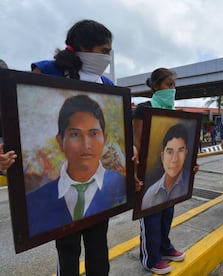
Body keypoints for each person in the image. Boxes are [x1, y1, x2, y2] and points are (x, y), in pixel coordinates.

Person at [29, 19, 138, 276]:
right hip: (63, 187)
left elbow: (122, 127)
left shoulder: (107, 85)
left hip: (96, 191)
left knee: (98, 245)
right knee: (67, 250)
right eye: (103, 50)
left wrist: (129, 145)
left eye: (109, 51)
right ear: (83, 47)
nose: (107, 57)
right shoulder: (46, 72)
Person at [26, 95, 126, 236]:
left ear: (104, 138)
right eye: (75, 134)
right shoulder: (35, 201)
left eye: (93, 133)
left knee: (98, 248)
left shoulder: (122, 186)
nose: (86, 145)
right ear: (60, 141)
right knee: (67, 252)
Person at [133, 68, 198, 274]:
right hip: (148, 175)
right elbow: (137, 143)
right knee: (150, 216)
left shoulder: (174, 112)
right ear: (155, 86)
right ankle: (150, 258)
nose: (173, 89)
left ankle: (164, 247)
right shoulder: (144, 109)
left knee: (167, 211)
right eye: (168, 84)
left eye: (174, 85)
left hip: (170, 175)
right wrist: (136, 172)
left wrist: (190, 164)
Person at [141, 123, 191, 210]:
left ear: (186, 154)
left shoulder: (188, 182)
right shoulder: (150, 194)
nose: (175, 159)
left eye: (180, 151)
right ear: (162, 156)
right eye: (170, 152)